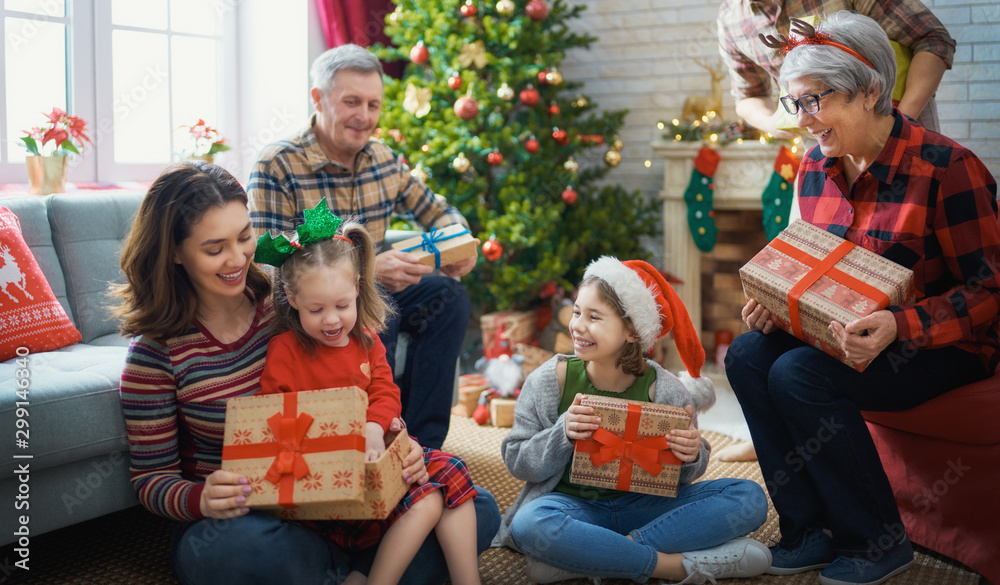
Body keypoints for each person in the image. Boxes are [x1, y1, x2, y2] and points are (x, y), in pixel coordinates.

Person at [115, 161, 500, 585]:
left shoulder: (288, 306)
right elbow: (152, 480)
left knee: (474, 505)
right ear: (173, 252)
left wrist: (395, 442)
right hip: (254, 514)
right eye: (214, 248)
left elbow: (358, 381)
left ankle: (350, 571)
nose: (238, 257)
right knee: (228, 553)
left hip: (349, 487)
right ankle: (367, 568)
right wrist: (200, 498)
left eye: (245, 237)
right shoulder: (153, 355)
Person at [724, 12, 1000, 585]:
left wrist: (901, 326)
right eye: (793, 104)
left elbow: (990, 288)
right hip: (857, 334)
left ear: (872, 89)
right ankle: (809, 532)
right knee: (747, 354)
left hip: (948, 342)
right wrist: (780, 307)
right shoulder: (816, 169)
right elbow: (819, 275)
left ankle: (877, 542)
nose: (802, 122)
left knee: (800, 374)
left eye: (814, 101)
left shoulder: (949, 169)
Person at [248, 43, 476, 450]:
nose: (365, 116)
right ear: (318, 98)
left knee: (450, 297)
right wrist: (369, 272)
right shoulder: (277, 164)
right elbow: (266, 269)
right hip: (317, 306)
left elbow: (438, 211)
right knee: (375, 316)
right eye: (352, 101)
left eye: (374, 104)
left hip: (369, 293)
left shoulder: (384, 159)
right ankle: (372, 442)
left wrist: (459, 243)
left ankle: (422, 446)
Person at [495, 256, 771, 584]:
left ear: (631, 331)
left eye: (594, 317)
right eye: (577, 311)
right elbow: (516, 461)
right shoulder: (548, 381)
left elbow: (684, 477)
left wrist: (693, 454)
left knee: (749, 498)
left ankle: (591, 558)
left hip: (648, 508)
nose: (578, 326)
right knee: (528, 524)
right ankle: (676, 566)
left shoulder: (667, 390)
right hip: (575, 509)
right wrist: (562, 433)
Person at [255, 199, 480, 585]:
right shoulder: (285, 351)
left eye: (342, 305)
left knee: (447, 474)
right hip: (324, 482)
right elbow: (274, 415)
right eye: (316, 309)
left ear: (358, 289)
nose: (331, 320)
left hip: (375, 470)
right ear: (292, 300)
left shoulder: (368, 341)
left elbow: (385, 394)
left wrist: (375, 428)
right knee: (438, 496)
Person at [717, 0, 955, 138]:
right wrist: (778, 124)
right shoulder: (730, 18)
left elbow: (932, 39)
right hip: (822, 143)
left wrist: (902, 122)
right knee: (817, 224)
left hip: (904, 118)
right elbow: (748, 96)